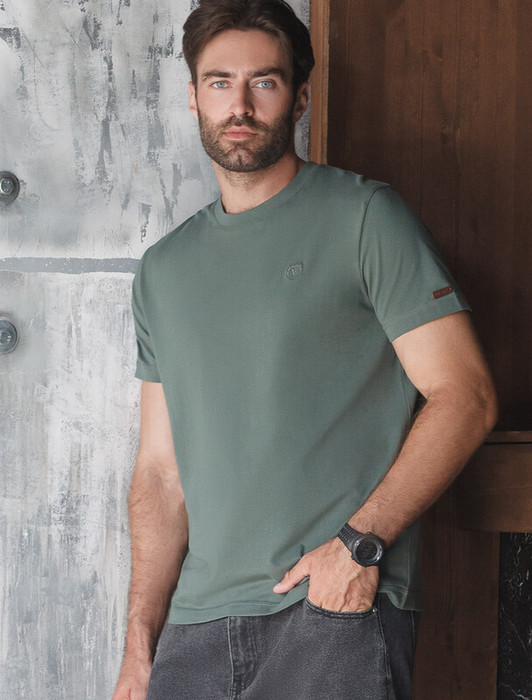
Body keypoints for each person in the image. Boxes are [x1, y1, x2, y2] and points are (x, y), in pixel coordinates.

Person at [112, 1, 497, 698]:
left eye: (264, 82)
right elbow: (161, 475)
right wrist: (140, 647)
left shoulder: (365, 218)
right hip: (193, 630)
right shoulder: (163, 271)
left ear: (299, 98)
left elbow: (465, 396)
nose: (240, 105)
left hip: (328, 610)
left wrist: (358, 549)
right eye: (220, 82)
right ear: (193, 96)